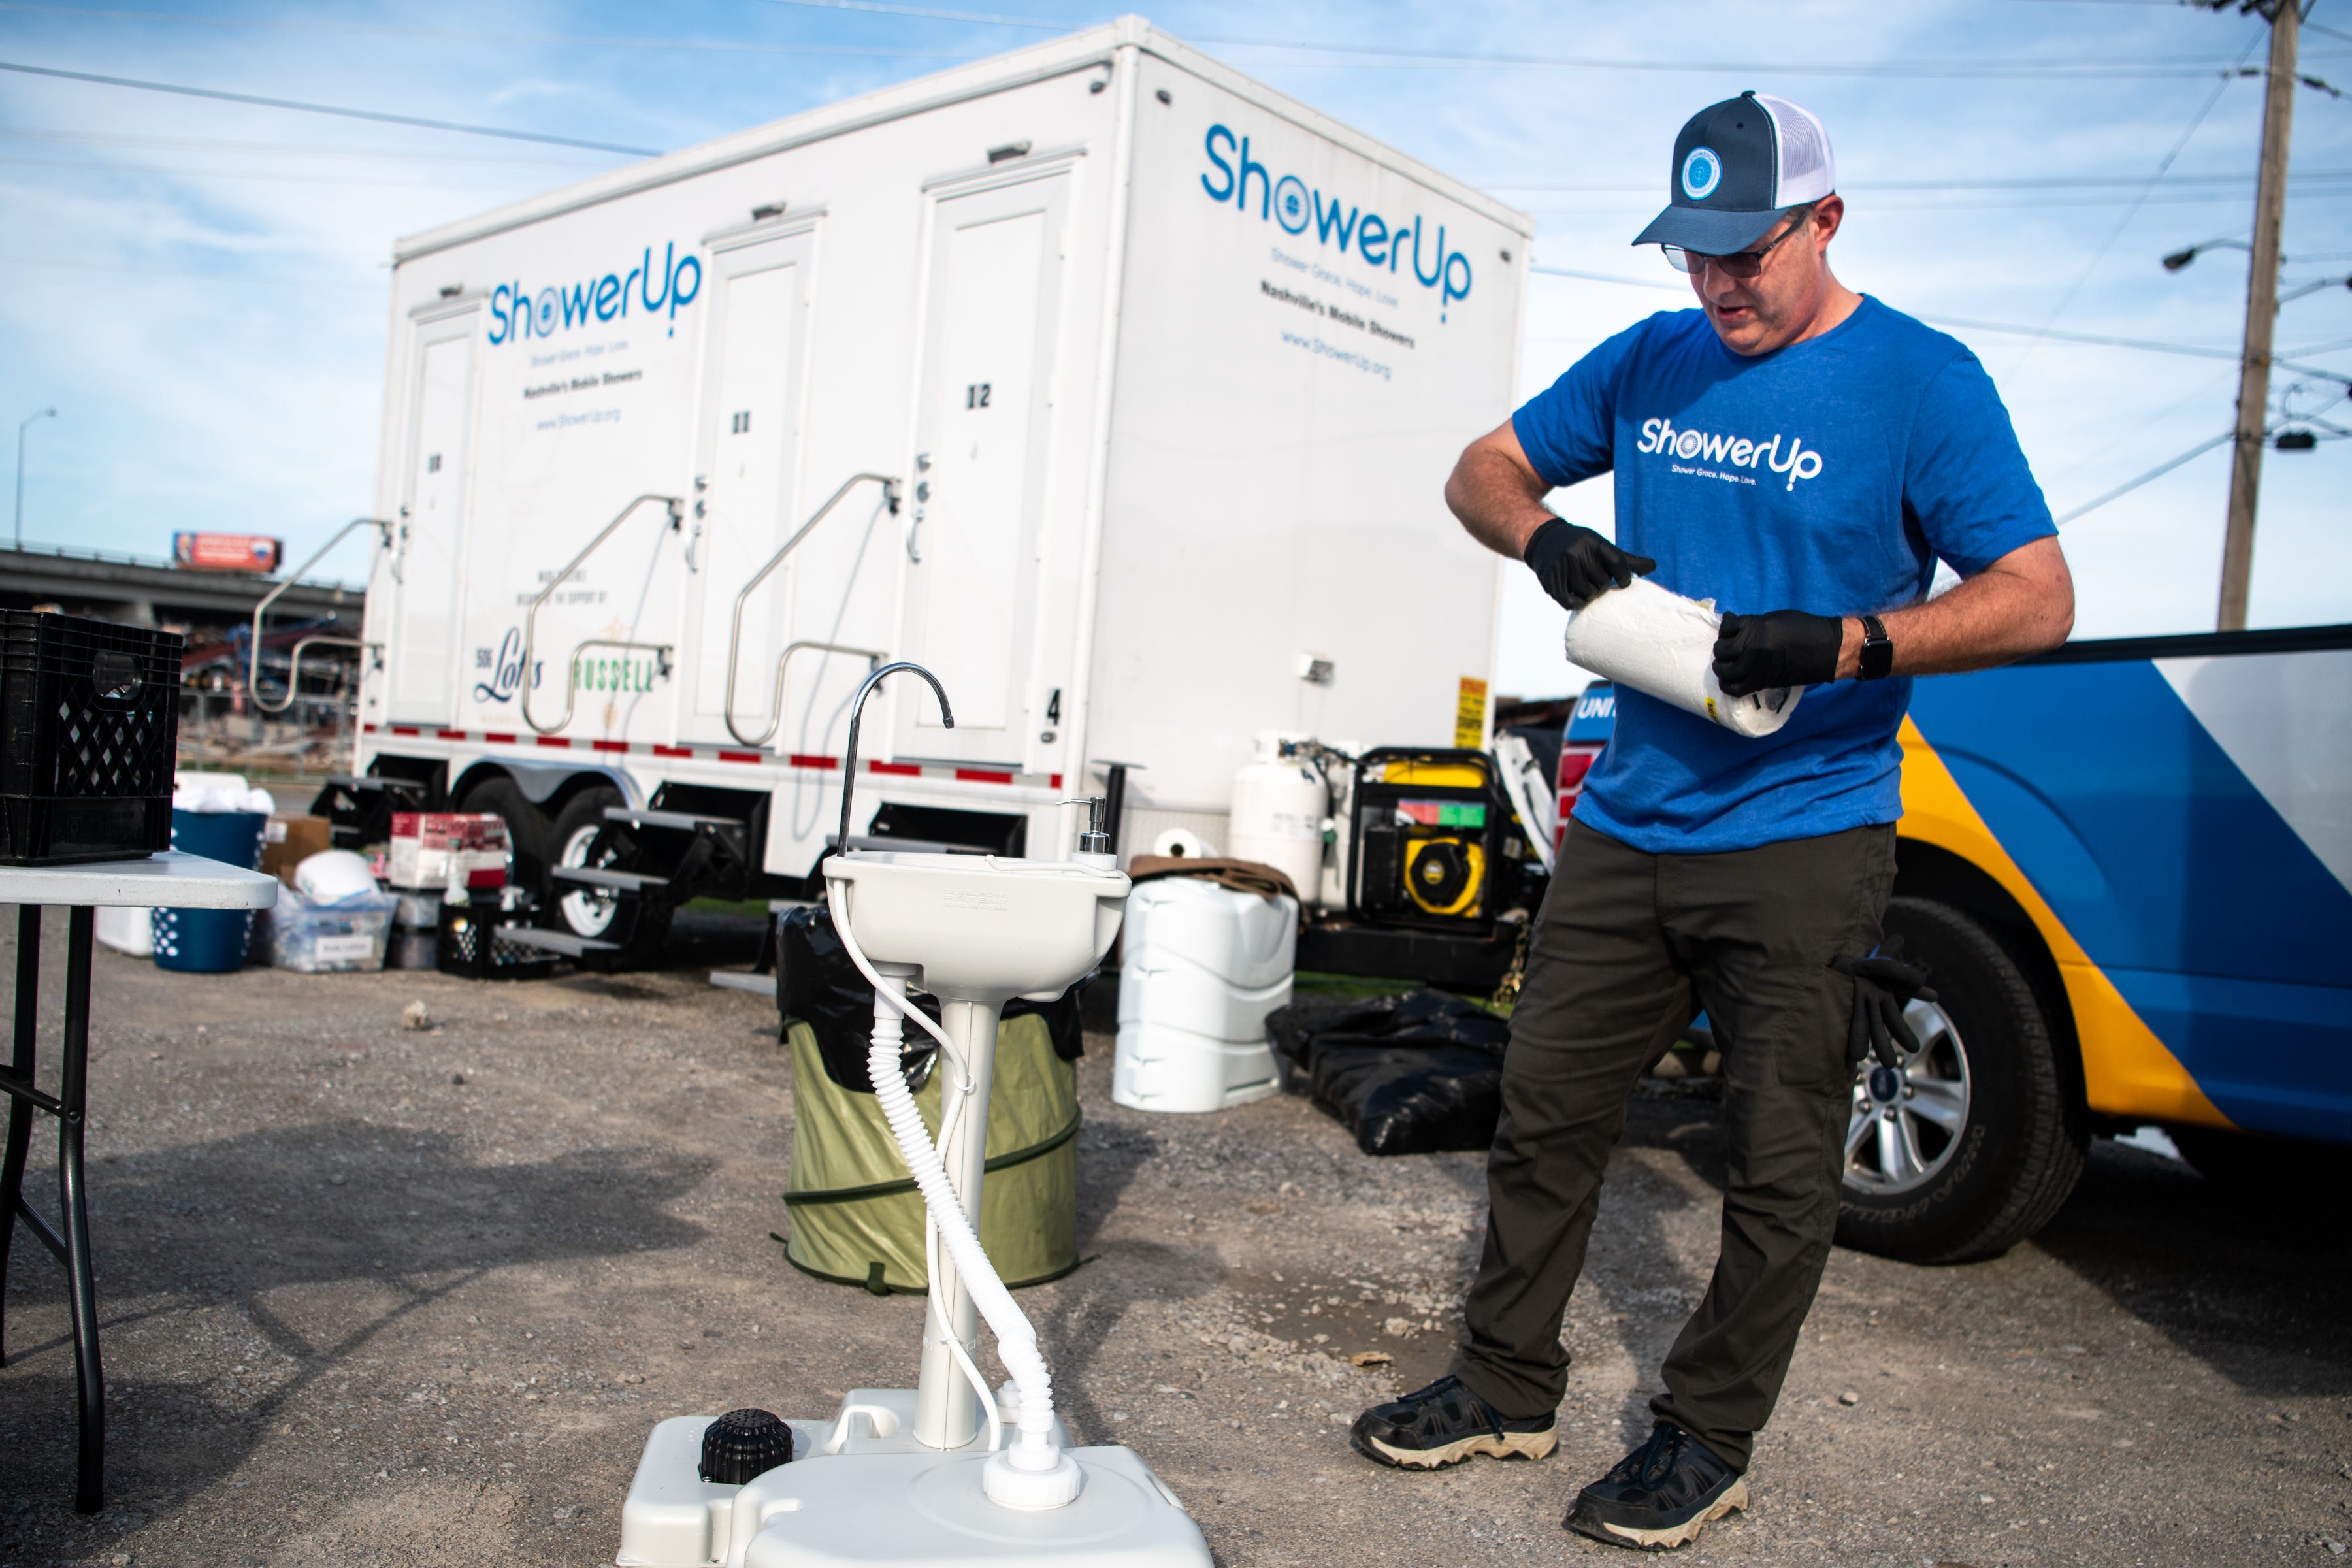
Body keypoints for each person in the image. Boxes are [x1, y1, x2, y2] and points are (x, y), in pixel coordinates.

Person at [1348, 91, 2075, 1551]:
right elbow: (1482, 468)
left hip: (1806, 829)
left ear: (1826, 221)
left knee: (1779, 1155)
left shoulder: (1921, 384)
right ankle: (1504, 1385)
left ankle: (1706, 1440)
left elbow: (2038, 597)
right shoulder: (1654, 359)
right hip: (1631, 821)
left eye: (1750, 250)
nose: (1720, 283)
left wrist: (1851, 642)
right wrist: (1546, 536)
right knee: (1545, 1109)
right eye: (1695, 252)